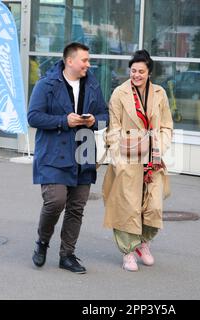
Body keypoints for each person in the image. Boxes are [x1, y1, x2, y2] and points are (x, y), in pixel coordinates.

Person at [28, 42, 108, 274]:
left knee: (76, 207)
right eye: (84, 60)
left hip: (84, 153)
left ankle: (67, 255)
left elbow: (106, 116)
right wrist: (64, 121)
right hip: (54, 154)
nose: (88, 65)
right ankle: (42, 242)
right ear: (69, 61)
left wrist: (95, 121)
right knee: (55, 202)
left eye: (88, 60)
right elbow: (33, 117)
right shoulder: (46, 84)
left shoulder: (92, 84)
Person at [102, 49, 173, 272]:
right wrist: (117, 159)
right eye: (133, 71)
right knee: (127, 207)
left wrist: (159, 148)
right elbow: (113, 128)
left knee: (153, 205)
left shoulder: (160, 93)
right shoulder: (119, 94)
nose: (136, 75)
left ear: (149, 72)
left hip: (153, 158)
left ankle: (144, 243)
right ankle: (128, 252)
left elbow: (166, 126)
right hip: (128, 157)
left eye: (141, 71)